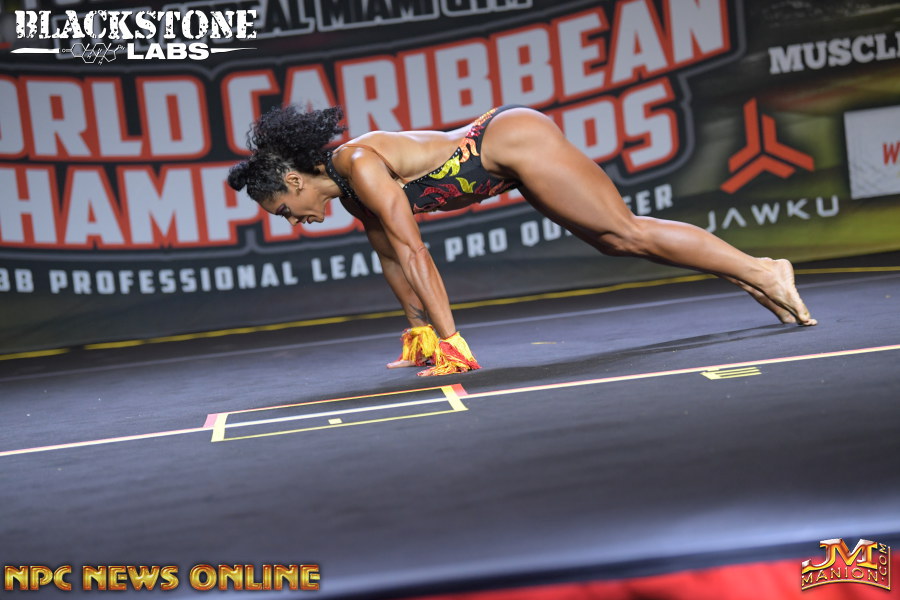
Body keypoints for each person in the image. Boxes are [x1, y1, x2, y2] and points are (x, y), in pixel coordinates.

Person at [228, 104, 816, 376]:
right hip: (501, 165)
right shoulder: (352, 193)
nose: (292, 220)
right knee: (614, 243)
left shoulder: (358, 164)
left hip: (511, 140)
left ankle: (763, 271)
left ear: (293, 181)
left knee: (624, 230)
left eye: (283, 210)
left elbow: (414, 251)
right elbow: (391, 262)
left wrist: (453, 343)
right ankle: (753, 270)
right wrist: (421, 337)